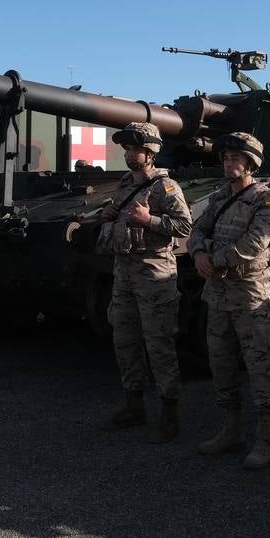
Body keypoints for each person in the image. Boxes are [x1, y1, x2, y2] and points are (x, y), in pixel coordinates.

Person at [83, 122, 191, 442]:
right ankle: (134, 406)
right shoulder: (125, 184)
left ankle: (170, 414)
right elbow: (122, 217)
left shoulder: (165, 187)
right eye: (128, 149)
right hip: (124, 272)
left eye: (137, 149)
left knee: (158, 343)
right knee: (125, 340)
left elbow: (184, 226)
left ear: (151, 152)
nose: (130, 154)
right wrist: (109, 216)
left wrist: (149, 219)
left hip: (153, 273)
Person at [189, 132, 270, 470]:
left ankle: (266, 438)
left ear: (251, 163)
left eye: (235, 158)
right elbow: (197, 231)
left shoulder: (264, 199)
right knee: (221, 360)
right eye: (226, 158)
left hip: (248, 293)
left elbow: (255, 243)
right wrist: (198, 253)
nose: (229, 163)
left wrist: (212, 258)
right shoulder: (219, 198)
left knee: (258, 362)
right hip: (218, 293)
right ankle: (231, 430)